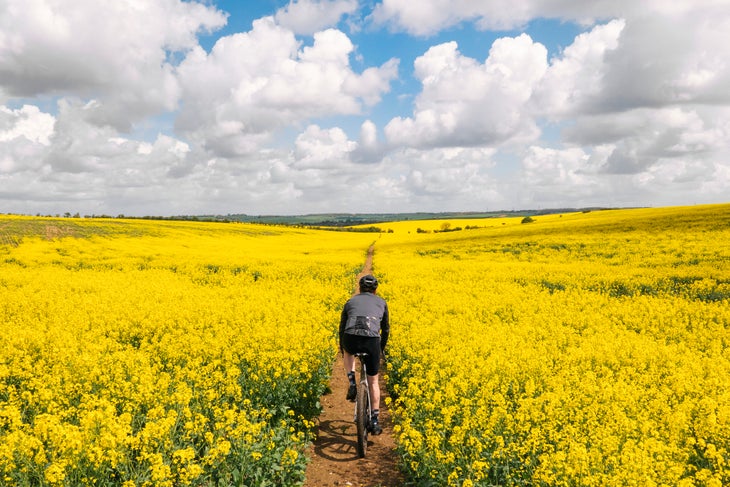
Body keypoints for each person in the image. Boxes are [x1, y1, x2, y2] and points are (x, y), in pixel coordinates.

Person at [339, 274, 390, 435]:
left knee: (348, 351)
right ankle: (374, 420)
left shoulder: (350, 301)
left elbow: (342, 327)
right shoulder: (381, 302)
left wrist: (343, 346)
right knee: (373, 381)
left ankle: (352, 382)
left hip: (351, 337)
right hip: (371, 341)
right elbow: (386, 329)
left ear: (360, 288)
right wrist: (380, 349)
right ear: (375, 290)